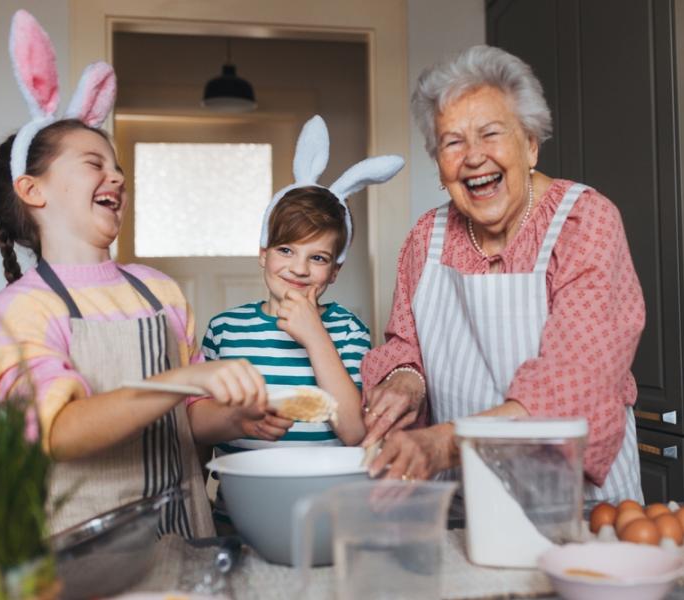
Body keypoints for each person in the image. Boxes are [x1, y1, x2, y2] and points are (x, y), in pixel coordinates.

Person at [0, 10, 268, 538]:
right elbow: (58, 432)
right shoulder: (22, 309)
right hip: (84, 559)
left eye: (117, 167)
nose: (115, 174)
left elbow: (190, 417)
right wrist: (180, 379)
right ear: (33, 190)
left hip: (185, 537)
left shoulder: (158, 290)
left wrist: (234, 420)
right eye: (93, 163)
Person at [360, 45, 646, 502]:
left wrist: (442, 443)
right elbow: (405, 345)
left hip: (572, 502)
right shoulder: (425, 239)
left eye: (490, 134)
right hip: (465, 498)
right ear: (439, 166)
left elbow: (574, 382)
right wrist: (405, 382)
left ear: (530, 144)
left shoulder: (585, 223)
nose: (473, 157)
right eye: (453, 142)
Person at [190, 115, 402, 524]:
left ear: (334, 272)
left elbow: (355, 432)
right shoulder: (225, 329)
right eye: (286, 251)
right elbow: (198, 428)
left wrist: (316, 337)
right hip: (239, 516)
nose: (299, 269)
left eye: (318, 258)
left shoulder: (346, 330)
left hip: (328, 513)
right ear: (263, 254)